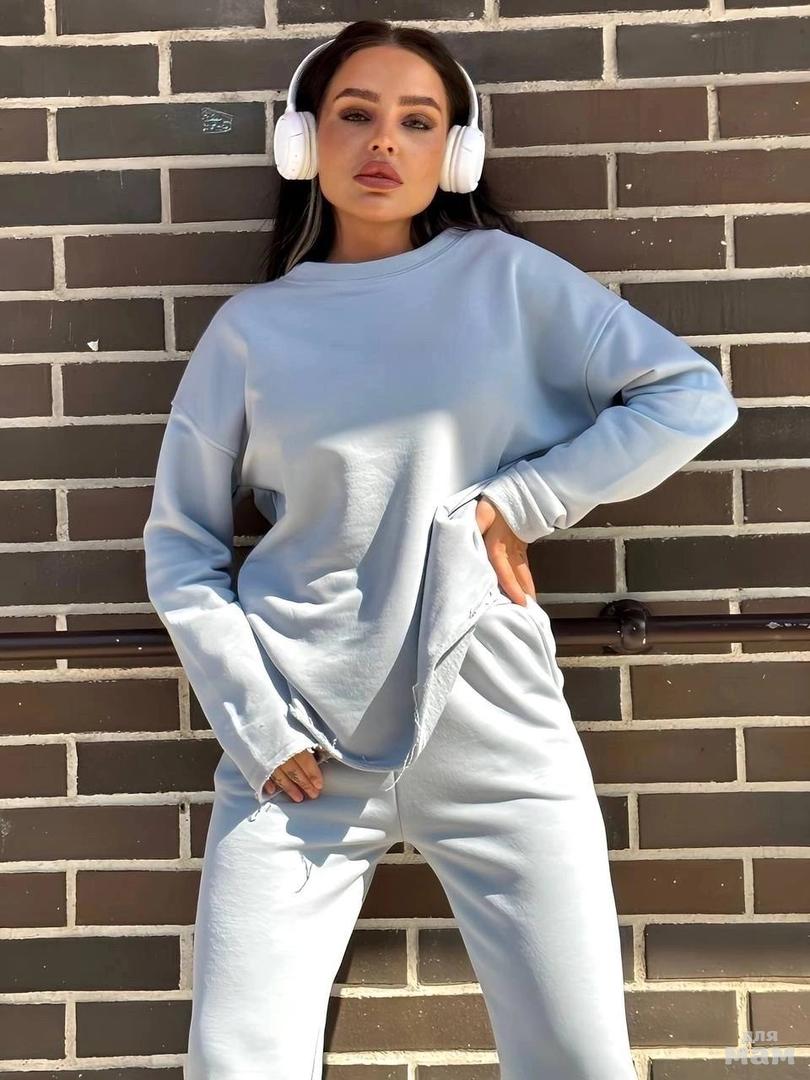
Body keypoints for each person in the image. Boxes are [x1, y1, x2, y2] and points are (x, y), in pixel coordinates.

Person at [142, 19, 739, 1079]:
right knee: (238, 1063)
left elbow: (690, 396)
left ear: (455, 153)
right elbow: (182, 547)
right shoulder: (249, 331)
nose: (385, 141)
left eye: (418, 121)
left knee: (579, 1059)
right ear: (303, 141)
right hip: (298, 754)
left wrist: (527, 499)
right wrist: (256, 723)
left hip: (501, 731)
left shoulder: (506, 280)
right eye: (356, 114)